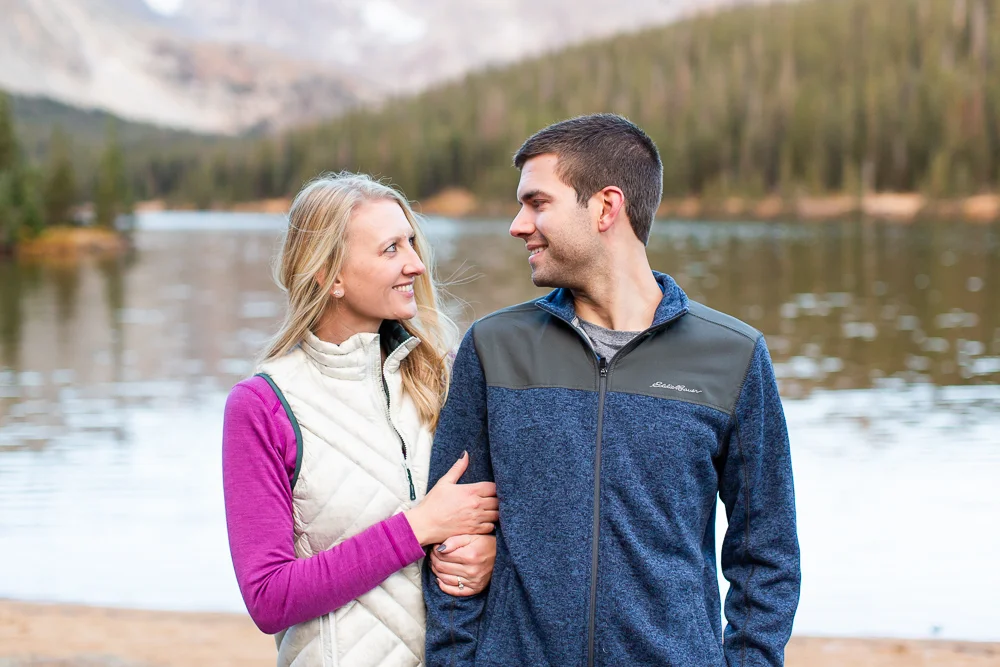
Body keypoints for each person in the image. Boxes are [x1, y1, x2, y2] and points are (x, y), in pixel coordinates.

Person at [424, 114, 800, 666]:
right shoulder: (494, 347)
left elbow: (766, 552)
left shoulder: (733, 355)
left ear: (606, 207)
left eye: (537, 203)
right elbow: (452, 540)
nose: (517, 225)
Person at [223, 172, 499, 667]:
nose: (416, 264)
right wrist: (415, 527)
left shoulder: (445, 377)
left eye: (411, 242)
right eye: (391, 249)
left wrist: (490, 556)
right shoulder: (263, 406)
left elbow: (499, 516)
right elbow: (268, 596)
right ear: (331, 276)